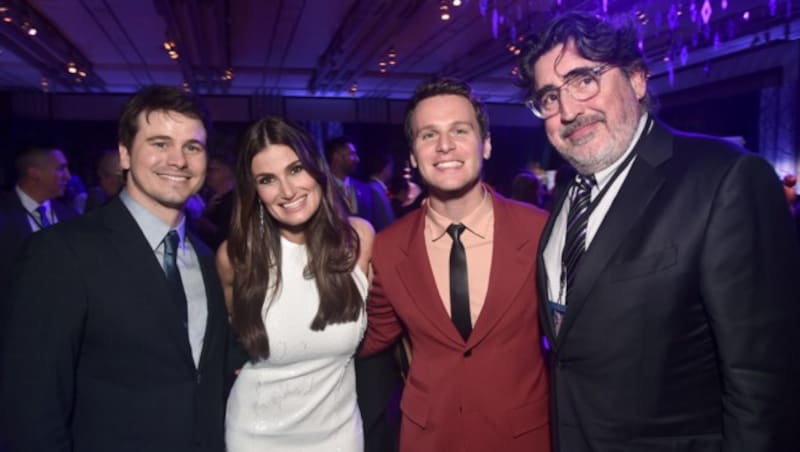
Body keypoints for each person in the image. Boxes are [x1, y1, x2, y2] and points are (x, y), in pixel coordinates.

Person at [518, 12, 800, 452]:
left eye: (584, 79)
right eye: (549, 97)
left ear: (636, 79)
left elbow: (762, 384)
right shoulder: (569, 196)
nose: (569, 110)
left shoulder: (724, 179)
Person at [0, 85, 234, 452]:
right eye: (159, 143)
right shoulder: (61, 252)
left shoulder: (209, 260)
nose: (178, 160)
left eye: (193, 147)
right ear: (124, 154)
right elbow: (29, 408)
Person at [359, 78, 551, 452]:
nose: (444, 146)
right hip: (428, 437)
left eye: (459, 131)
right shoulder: (388, 247)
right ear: (413, 156)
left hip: (522, 436)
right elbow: (372, 335)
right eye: (428, 135)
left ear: (487, 144)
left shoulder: (540, 230)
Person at [217, 117, 374, 452]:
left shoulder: (358, 240)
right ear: (255, 191)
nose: (287, 191)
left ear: (317, 170)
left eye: (295, 169)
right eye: (267, 180)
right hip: (256, 437)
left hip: (340, 436)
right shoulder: (236, 257)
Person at [324, 135, 403, 452]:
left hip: (370, 311)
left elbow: (384, 228)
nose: (354, 157)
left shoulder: (363, 191)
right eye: (348, 151)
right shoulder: (314, 189)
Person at [0, 145, 76, 292]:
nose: (68, 176)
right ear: (34, 173)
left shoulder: (70, 216)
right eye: (60, 168)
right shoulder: (4, 214)